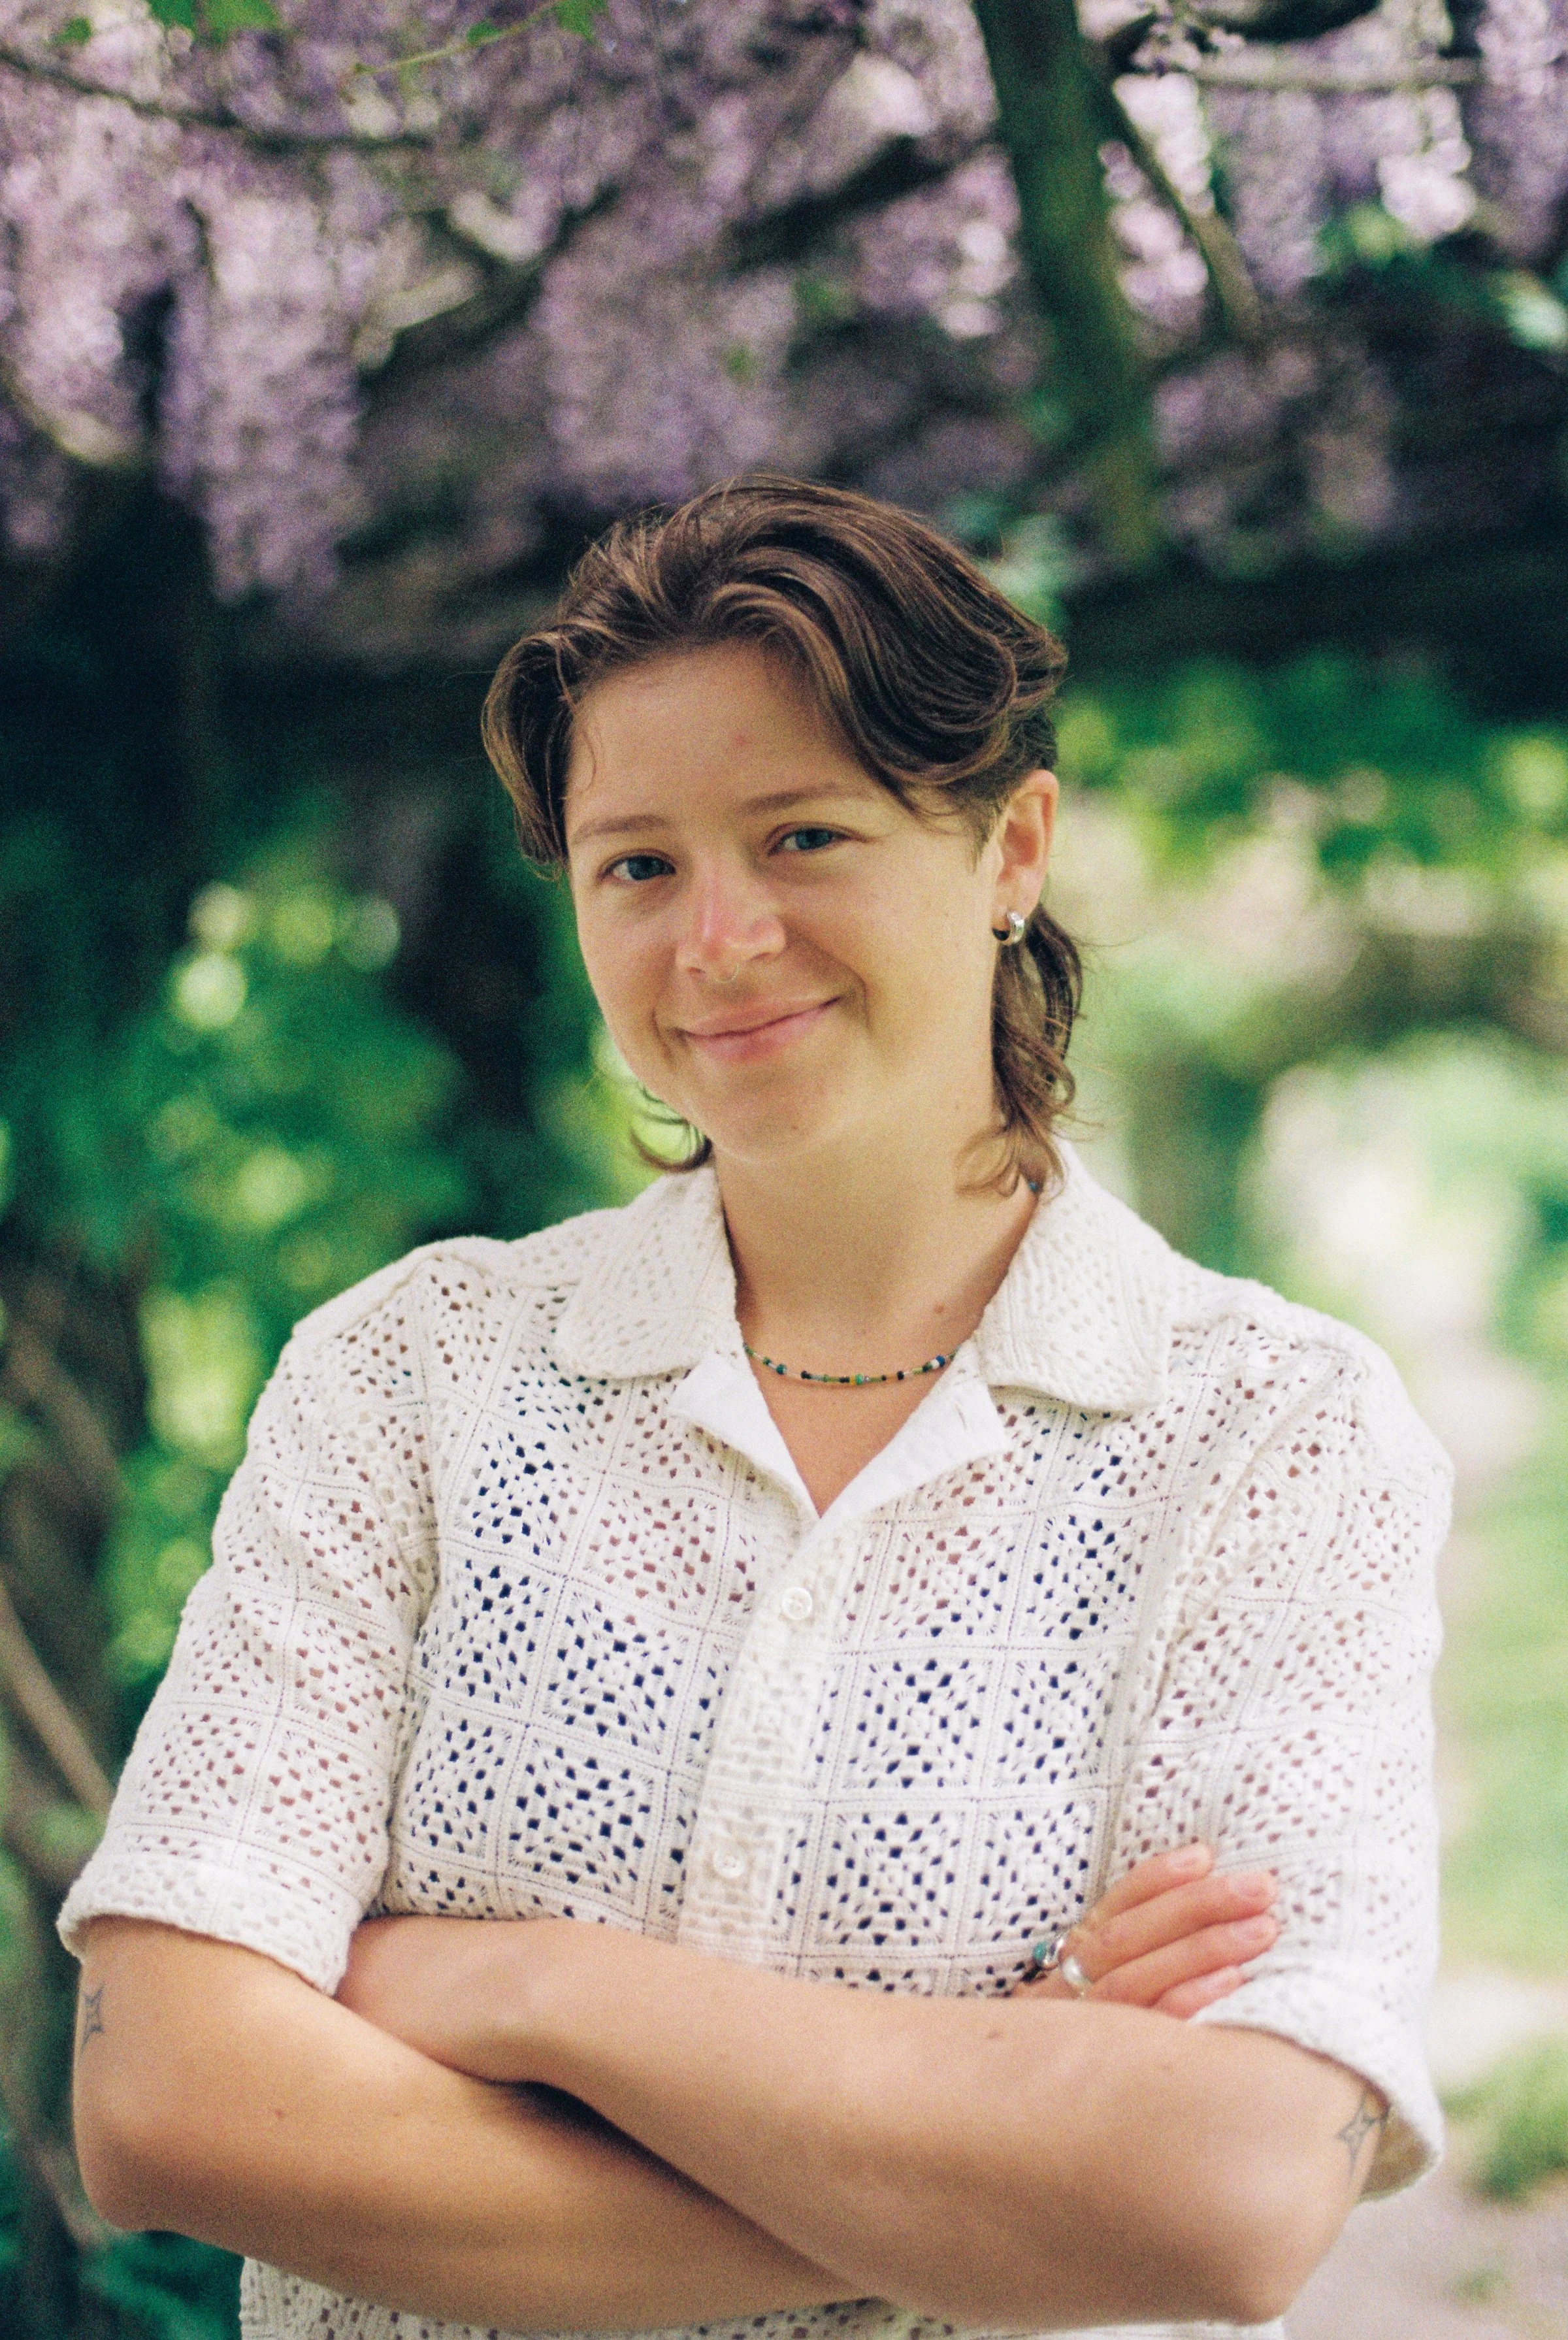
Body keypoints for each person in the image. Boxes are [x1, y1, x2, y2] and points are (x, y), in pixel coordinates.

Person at [63, 478, 1450, 2340]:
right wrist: (995, 2136)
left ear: (1013, 849)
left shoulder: (1277, 1436)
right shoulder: (411, 1377)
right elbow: (172, 2099)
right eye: (637, 863)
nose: (717, 940)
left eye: (803, 835)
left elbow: (1227, 2190)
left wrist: (528, 1989)